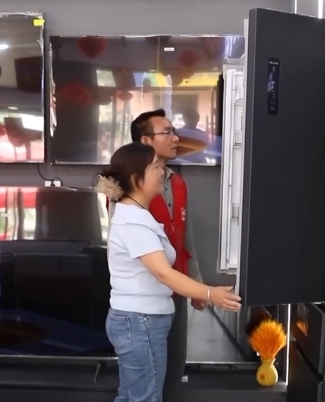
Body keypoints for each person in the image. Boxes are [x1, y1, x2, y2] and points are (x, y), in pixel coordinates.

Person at [96, 142, 241, 402]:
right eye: (155, 167)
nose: (162, 172)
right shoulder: (133, 221)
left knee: (133, 397)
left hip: (140, 322)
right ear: (137, 179)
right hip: (140, 323)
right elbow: (164, 273)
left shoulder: (137, 215)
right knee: (145, 398)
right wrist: (210, 293)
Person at [129, 109, 210, 402]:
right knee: (146, 381)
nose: (176, 138)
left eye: (174, 131)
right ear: (146, 140)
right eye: (167, 132)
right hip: (145, 300)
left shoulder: (177, 182)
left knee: (173, 369)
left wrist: (196, 283)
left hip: (176, 292)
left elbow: (187, 239)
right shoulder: (129, 189)